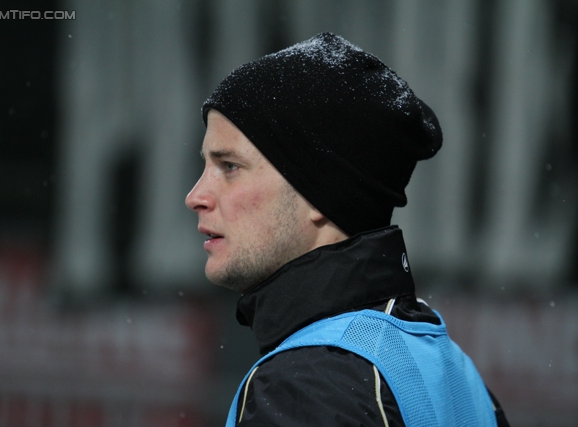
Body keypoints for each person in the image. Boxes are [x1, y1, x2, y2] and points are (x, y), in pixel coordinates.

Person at [186, 33, 509, 427]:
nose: (196, 195)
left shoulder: (302, 389)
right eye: (205, 165)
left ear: (319, 193)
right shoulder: (452, 369)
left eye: (229, 166)